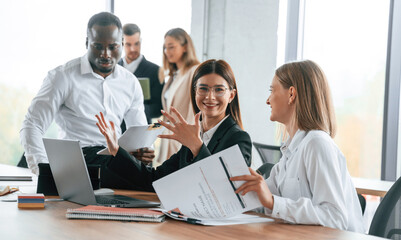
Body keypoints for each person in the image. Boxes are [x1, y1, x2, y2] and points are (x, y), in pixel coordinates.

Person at [231, 60, 364, 232]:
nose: (267, 100)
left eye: (272, 90)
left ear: (291, 94)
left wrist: (272, 202)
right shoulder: (291, 151)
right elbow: (264, 200)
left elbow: (334, 218)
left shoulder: (317, 144)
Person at [19, 12, 148, 188]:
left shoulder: (130, 82)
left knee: (154, 181)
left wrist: (143, 153)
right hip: (78, 160)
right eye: (97, 46)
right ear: (87, 43)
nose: (105, 54)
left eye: (112, 46)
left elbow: (138, 133)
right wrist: (45, 170)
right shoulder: (62, 77)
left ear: (122, 45)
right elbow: (32, 124)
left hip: (116, 160)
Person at [95, 59, 251, 191]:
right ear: (195, 92)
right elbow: (155, 180)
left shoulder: (238, 138)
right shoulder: (196, 135)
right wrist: (116, 150)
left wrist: (197, 147)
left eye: (219, 90)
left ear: (231, 95)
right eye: (203, 89)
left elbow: (226, 191)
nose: (210, 97)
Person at [156, 28, 200, 164]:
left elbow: (194, 110)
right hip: (170, 138)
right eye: (165, 48)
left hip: (182, 139)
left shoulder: (194, 72)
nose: (167, 52)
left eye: (171, 47)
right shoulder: (173, 75)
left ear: (185, 47)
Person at [118, 23, 164, 125]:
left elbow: (158, 108)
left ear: (141, 42)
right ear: (121, 44)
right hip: (115, 130)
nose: (133, 49)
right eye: (128, 44)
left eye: (136, 44)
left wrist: (133, 108)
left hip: (141, 130)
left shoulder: (155, 71)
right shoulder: (113, 69)